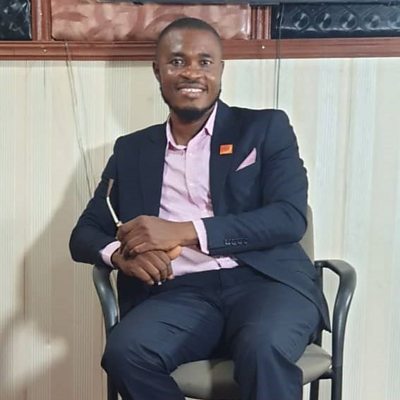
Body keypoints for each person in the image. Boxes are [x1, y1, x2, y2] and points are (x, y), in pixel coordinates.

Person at [69, 17, 329, 400]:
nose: (191, 72)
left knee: (263, 348)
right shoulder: (132, 150)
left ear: (221, 70)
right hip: (179, 294)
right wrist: (119, 258)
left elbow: (289, 217)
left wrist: (185, 230)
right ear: (157, 71)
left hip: (266, 283)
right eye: (176, 61)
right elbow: (85, 233)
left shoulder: (265, 128)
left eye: (205, 61)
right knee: (126, 353)